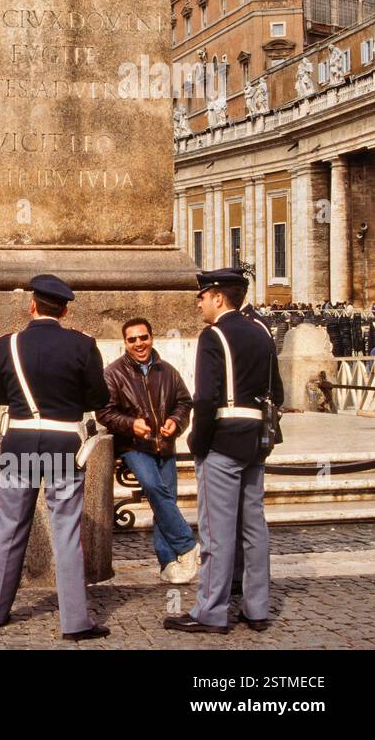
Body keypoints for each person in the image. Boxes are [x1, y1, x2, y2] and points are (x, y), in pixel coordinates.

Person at [0, 274, 111, 640]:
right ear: (65, 309)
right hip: (63, 446)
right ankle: (74, 622)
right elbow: (97, 399)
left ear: (32, 305)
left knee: (7, 527)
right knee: (67, 533)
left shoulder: (4, 345)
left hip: (19, 443)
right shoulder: (83, 345)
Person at [165, 268, 282, 635]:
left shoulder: (213, 335)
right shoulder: (262, 332)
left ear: (218, 297)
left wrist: (197, 442)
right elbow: (276, 391)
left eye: (202, 295)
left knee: (216, 532)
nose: (198, 302)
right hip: (255, 439)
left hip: (223, 439)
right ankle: (257, 608)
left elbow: (205, 397)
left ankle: (210, 611)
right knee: (254, 527)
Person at [99, 317, 198, 583]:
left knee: (166, 501)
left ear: (151, 338)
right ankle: (188, 544)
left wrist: (175, 422)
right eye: (132, 340)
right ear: (125, 343)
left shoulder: (168, 371)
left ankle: (167, 563)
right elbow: (105, 412)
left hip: (164, 444)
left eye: (143, 337)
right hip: (133, 446)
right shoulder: (113, 373)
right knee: (155, 489)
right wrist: (132, 425)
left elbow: (184, 402)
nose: (139, 344)